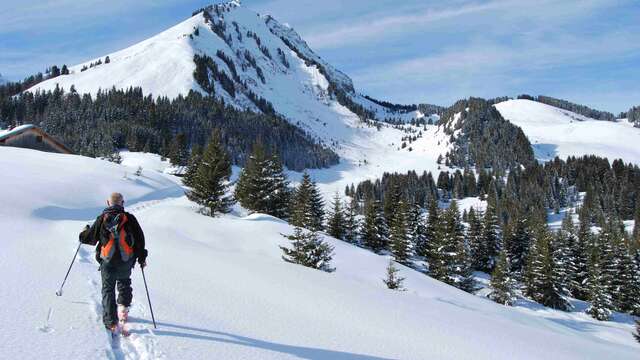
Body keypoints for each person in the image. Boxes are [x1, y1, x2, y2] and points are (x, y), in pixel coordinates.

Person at [79, 192, 147, 332]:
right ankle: (123, 309)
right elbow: (140, 240)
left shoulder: (102, 219)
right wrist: (142, 258)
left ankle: (111, 322)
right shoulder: (129, 218)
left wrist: (84, 231)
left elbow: (89, 239)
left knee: (108, 289)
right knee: (124, 282)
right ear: (122, 202)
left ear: (108, 203)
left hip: (107, 261)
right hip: (126, 260)